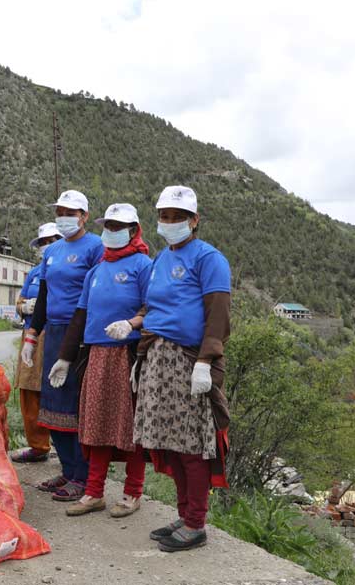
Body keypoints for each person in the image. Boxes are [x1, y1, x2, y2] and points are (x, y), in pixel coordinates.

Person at [130, 185, 231, 552]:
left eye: (178, 217)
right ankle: (184, 513)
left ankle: (196, 523)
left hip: (188, 361)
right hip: (157, 360)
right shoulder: (161, 260)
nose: (170, 222)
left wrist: (205, 361)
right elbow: (152, 307)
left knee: (191, 446)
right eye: (165, 216)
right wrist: (133, 325)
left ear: (194, 220)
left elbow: (218, 314)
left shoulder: (209, 259)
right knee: (171, 445)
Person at [53, 203, 152, 518]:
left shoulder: (143, 265)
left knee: (130, 425)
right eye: (108, 225)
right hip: (96, 353)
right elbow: (81, 314)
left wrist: (132, 324)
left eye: (118, 226)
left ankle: (132, 492)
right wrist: (65, 357)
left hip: (127, 354)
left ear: (133, 231)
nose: (111, 231)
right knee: (95, 422)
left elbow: (153, 307)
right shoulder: (96, 270)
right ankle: (94, 492)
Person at [24, 190, 104, 501]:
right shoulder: (53, 251)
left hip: (80, 332)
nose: (64, 217)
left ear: (84, 216)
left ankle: (82, 476)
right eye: (60, 212)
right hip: (54, 331)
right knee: (52, 405)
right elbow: (44, 295)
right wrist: (33, 334)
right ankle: (68, 470)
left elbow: (97, 291)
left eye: (70, 212)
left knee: (74, 407)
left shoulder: (95, 247)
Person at [10, 222, 61, 464]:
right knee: (29, 388)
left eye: (51, 241)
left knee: (56, 388)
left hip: (55, 333)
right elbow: (19, 301)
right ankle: (38, 446)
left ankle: (63, 445)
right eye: (43, 243)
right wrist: (24, 307)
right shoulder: (34, 272)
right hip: (31, 336)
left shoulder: (68, 269)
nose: (46, 246)